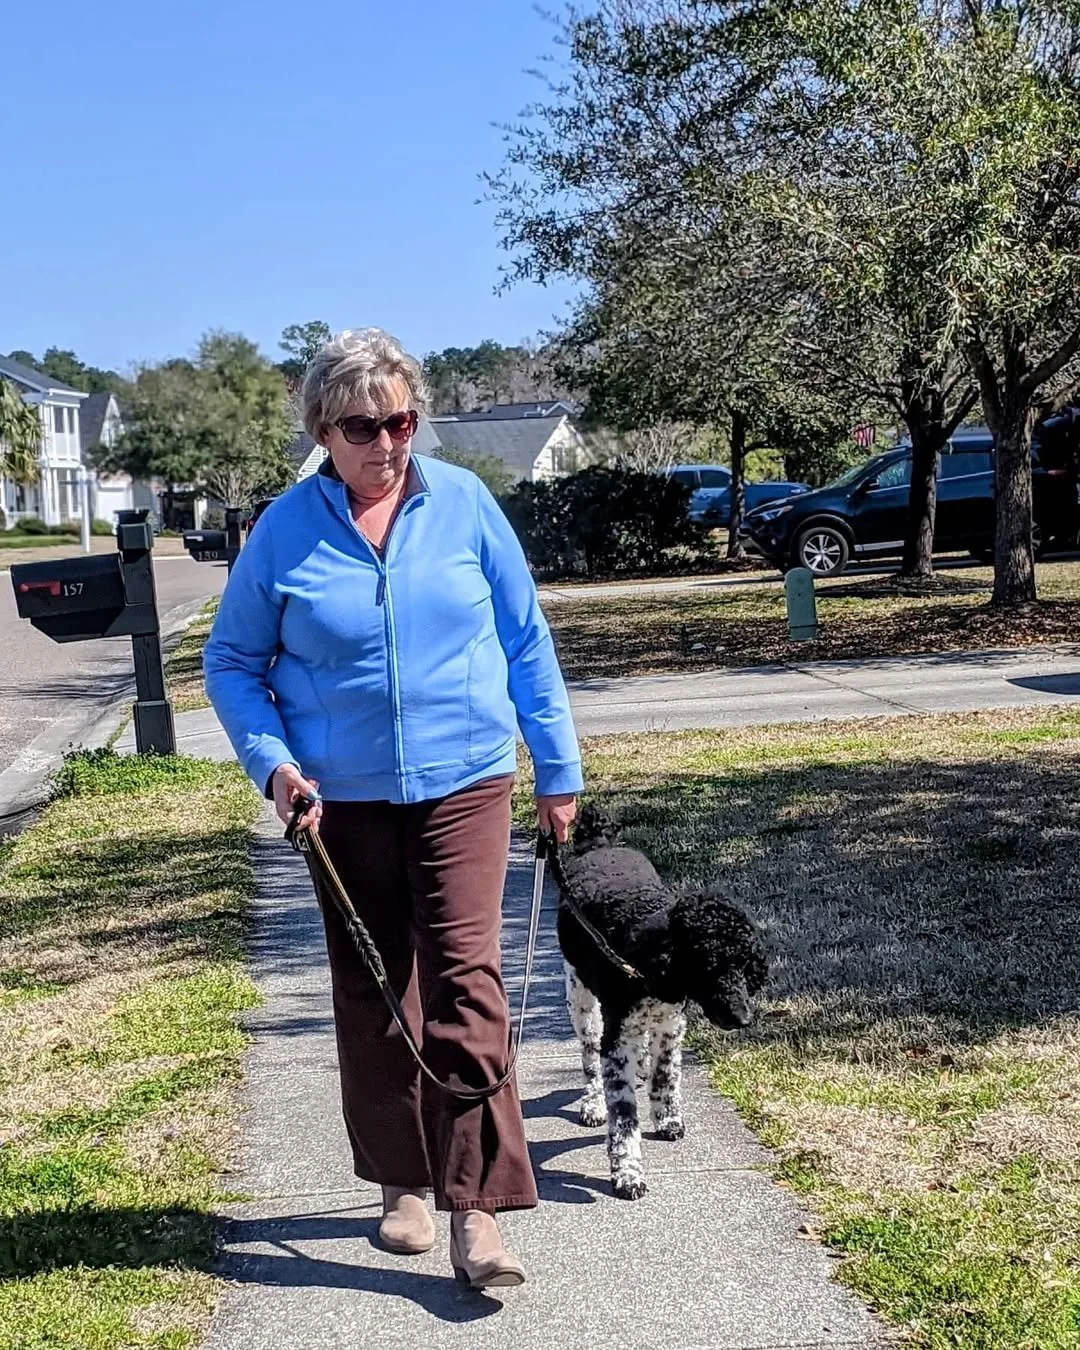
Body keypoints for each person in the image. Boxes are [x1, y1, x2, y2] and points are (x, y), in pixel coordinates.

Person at [203, 327, 582, 1289]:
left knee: (468, 984)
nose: (388, 443)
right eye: (365, 426)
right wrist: (273, 763)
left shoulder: (465, 505)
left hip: (465, 781)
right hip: (342, 802)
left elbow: (526, 640)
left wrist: (557, 765)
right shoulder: (285, 532)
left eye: (403, 420)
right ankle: (398, 1181)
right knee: (377, 993)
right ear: (325, 431)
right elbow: (234, 663)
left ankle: (479, 1209)